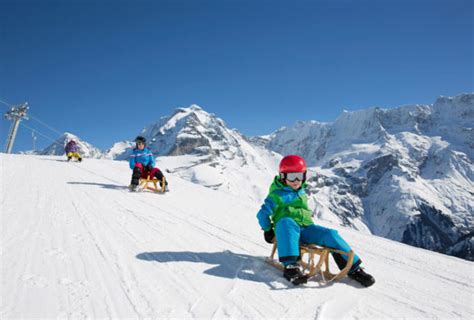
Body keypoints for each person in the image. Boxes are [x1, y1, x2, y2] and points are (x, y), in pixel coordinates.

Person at [257, 155, 375, 287]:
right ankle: (291, 267)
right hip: (287, 230)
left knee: (330, 234)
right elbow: (262, 214)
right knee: (286, 222)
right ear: (283, 177)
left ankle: (354, 269)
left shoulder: (300, 191)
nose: (296, 181)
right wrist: (268, 230)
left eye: (300, 176)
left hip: (306, 228)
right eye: (291, 177)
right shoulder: (277, 195)